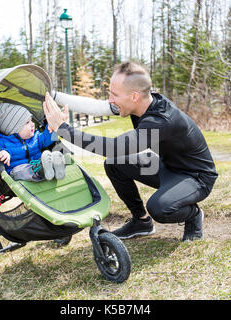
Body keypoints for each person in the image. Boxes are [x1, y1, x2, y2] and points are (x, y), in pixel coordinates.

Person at [43, 61, 218, 241]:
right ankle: (141, 222)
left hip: (196, 177)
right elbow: (96, 107)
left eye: (114, 95)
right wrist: (51, 95)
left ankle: (193, 214)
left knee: (160, 207)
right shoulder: (141, 102)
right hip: (168, 167)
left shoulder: (161, 120)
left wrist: (63, 129)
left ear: (134, 96)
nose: (110, 100)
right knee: (114, 164)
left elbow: (114, 147)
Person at [0, 102, 66, 182]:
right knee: (20, 171)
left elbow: (46, 139)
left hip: (38, 164)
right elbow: (0, 151)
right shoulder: (4, 142)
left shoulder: (35, 137)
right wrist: (5, 153)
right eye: (27, 122)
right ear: (14, 129)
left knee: (47, 158)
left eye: (31, 120)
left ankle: (56, 166)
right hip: (18, 171)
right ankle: (42, 171)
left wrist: (52, 129)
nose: (33, 124)